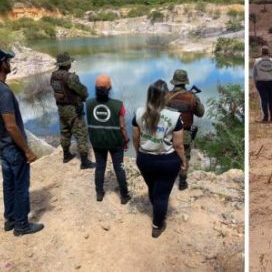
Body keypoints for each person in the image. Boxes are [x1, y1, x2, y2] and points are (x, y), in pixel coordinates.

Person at [0, 48, 44, 236]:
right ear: (3, 64)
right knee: (21, 186)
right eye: (8, 61)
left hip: (1, 146)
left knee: (9, 183)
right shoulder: (4, 92)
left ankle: (10, 219)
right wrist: (27, 150)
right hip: (13, 148)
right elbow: (11, 126)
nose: (10, 63)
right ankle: (22, 225)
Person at [133, 80, 187, 238]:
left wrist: (139, 154)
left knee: (152, 187)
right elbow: (179, 145)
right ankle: (157, 225)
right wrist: (183, 160)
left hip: (145, 159)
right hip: (167, 161)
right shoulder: (174, 116)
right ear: (166, 96)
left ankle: (156, 206)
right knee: (162, 195)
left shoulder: (138, 113)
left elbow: (135, 137)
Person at [86, 74, 131, 204]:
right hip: (115, 142)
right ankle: (124, 196)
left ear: (95, 88)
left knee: (100, 166)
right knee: (119, 167)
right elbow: (122, 126)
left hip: (97, 141)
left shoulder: (88, 104)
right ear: (109, 87)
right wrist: (126, 140)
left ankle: (99, 193)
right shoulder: (118, 105)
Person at [50, 52, 95, 169]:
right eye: (69, 62)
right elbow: (83, 91)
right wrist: (83, 96)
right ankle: (85, 162)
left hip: (61, 108)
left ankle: (66, 155)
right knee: (81, 134)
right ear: (67, 64)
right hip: (73, 109)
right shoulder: (71, 77)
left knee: (65, 131)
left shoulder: (53, 76)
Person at [165, 69, 204, 191]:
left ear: (174, 82)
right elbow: (201, 113)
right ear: (185, 82)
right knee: (185, 157)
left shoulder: (166, 96)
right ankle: (182, 182)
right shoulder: (192, 96)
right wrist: (195, 100)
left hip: (167, 132)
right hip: (185, 132)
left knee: (167, 155)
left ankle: (167, 179)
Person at [253, 46, 272, 122]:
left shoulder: (257, 61)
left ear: (261, 52)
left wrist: (255, 83)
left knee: (264, 99)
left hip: (261, 83)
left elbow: (254, 74)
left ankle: (265, 117)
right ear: (268, 52)